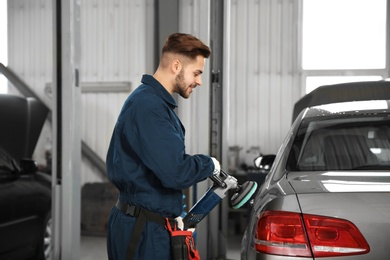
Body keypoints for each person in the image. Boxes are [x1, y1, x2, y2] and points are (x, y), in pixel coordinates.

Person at [106, 33, 221, 260]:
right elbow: (175, 172)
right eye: (196, 73)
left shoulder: (155, 103)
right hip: (143, 231)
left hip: (149, 221)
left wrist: (171, 214)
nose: (199, 81)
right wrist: (209, 164)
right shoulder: (149, 107)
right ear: (176, 66)